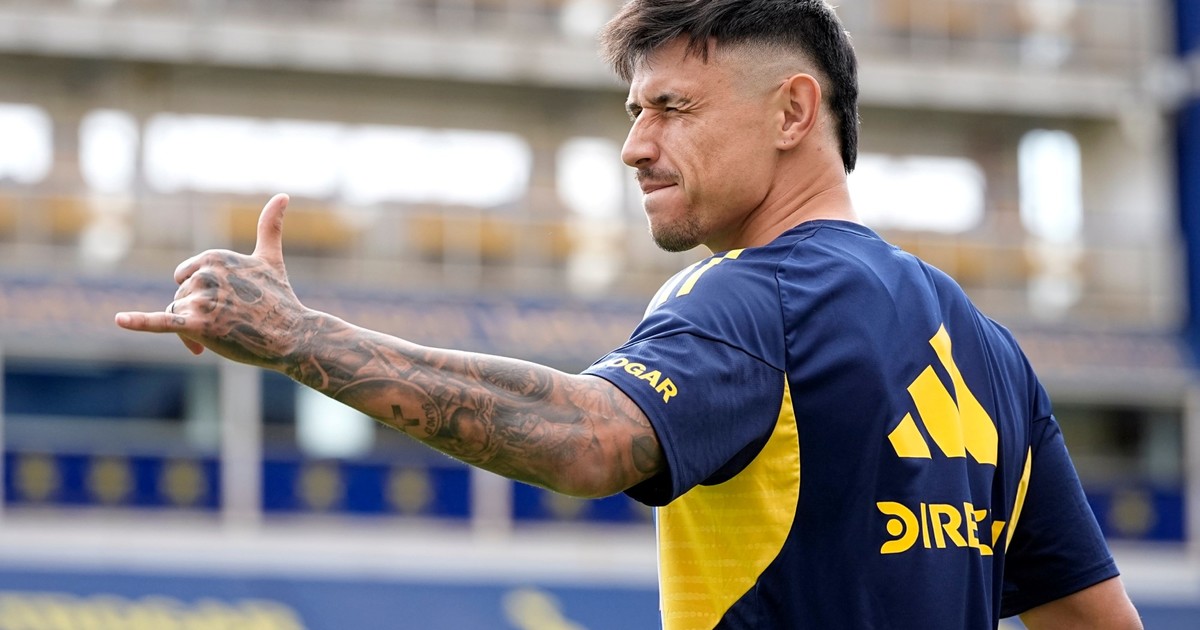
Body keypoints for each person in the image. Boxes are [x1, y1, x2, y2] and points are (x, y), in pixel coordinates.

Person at [116, 0, 1143, 628]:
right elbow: (1094, 619)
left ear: (793, 111)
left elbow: (590, 439)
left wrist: (300, 337)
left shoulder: (750, 296)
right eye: (634, 111)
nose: (634, 145)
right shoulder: (987, 349)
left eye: (673, 108)